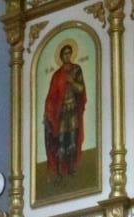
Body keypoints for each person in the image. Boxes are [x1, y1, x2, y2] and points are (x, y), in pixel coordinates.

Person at [43, 43, 86, 183]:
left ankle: (72, 168)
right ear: (61, 56)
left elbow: (81, 89)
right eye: (64, 54)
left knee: (73, 140)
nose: (67, 56)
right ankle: (60, 171)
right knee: (61, 142)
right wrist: (48, 112)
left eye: (69, 53)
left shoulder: (76, 70)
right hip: (61, 113)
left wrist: (72, 81)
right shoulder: (57, 75)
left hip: (73, 109)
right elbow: (51, 96)